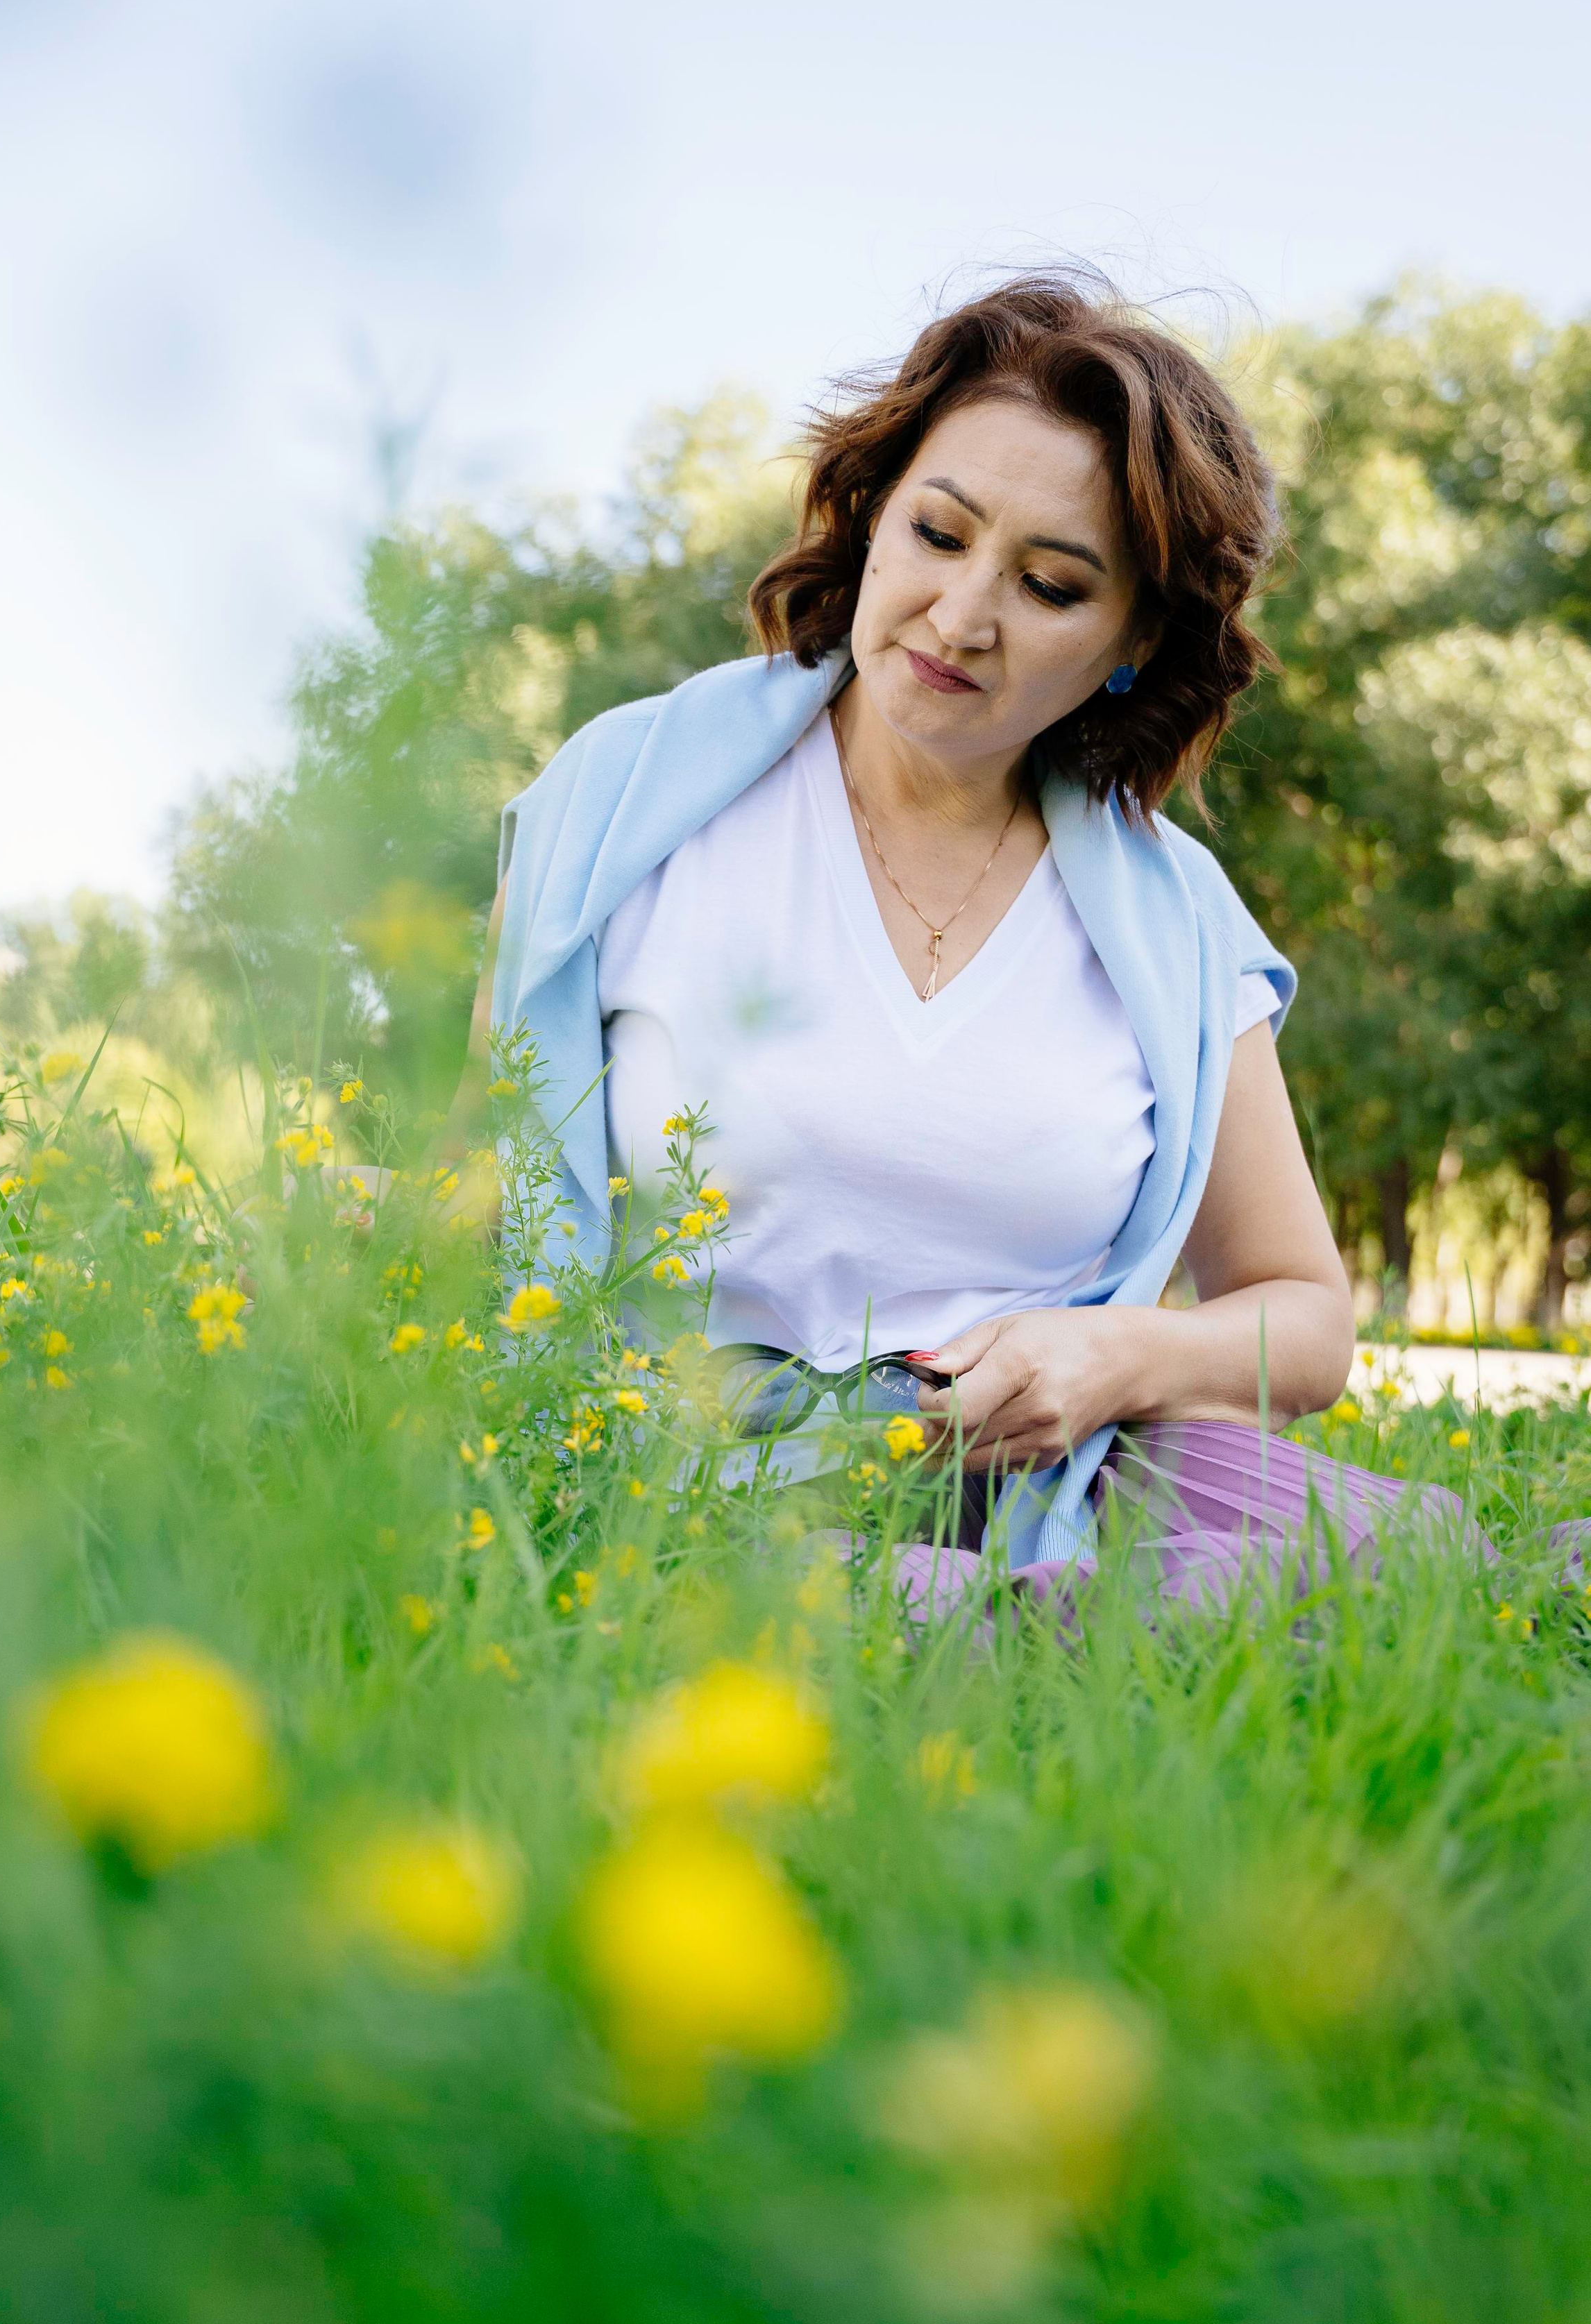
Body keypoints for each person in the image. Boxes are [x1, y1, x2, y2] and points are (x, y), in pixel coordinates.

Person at [466, 275, 1565, 1615]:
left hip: (1071, 1477)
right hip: (683, 1475)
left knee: (1441, 1578)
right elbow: (494, 1196)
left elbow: (1306, 1315)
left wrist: (1108, 1361)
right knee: (890, 1611)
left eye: (1050, 586)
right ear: (871, 521)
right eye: (939, 534)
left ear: (1129, 644)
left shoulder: (1177, 920)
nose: (964, 613)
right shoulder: (624, 812)